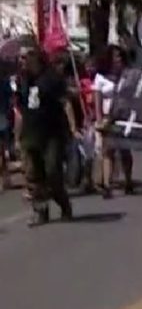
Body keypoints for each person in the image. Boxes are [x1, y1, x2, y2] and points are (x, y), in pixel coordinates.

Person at [18, 49, 77, 226]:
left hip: (52, 133)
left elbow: (65, 102)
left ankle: (64, 204)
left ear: (34, 57)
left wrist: (73, 127)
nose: (22, 61)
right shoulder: (23, 80)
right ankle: (40, 211)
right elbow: (21, 111)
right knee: (33, 175)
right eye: (20, 57)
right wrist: (17, 136)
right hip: (31, 133)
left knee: (52, 171)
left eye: (25, 57)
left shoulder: (51, 78)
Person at [94, 45, 134, 199]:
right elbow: (97, 98)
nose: (118, 59)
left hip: (123, 116)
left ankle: (128, 181)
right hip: (107, 116)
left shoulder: (127, 75)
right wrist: (99, 120)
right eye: (115, 57)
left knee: (125, 150)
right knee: (107, 151)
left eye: (120, 56)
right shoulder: (101, 78)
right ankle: (107, 184)